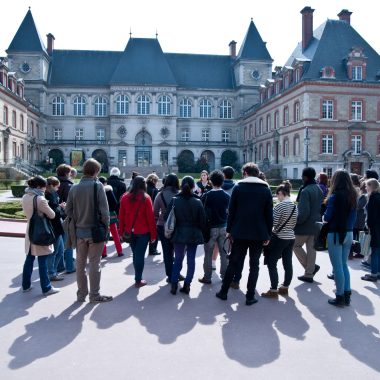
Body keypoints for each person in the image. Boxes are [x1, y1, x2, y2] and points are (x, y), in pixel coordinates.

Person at [216, 162, 273, 306]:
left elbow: (231, 212)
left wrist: (229, 230)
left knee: (234, 262)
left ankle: (223, 292)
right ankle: (249, 296)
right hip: (259, 233)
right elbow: (269, 215)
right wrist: (268, 234)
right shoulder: (265, 189)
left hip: (239, 231)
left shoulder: (239, 187)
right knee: (254, 265)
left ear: (245, 173)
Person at [65, 158, 112, 303]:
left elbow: (68, 210)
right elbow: (105, 212)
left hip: (79, 232)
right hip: (95, 232)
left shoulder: (74, 187)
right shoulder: (98, 186)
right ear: (96, 171)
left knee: (80, 265)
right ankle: (94, 295)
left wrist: (79, 219)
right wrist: (106, 227)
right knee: (94, 264)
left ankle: (81, 295)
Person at [165, 176, 206, 295]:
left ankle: (173, 284)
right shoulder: (198, 201)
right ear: (194, 186)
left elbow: (167, 216)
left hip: (178, 233)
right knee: (191, 259)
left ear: (181, 186)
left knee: (178, 259)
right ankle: (187, 284)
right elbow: (202, 220)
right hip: (193, 233)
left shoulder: (175, 200)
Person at [323, 170, 357, 307]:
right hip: (349, 233)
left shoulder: (334, 197)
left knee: (337, 266)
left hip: (336, 233)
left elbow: (327, 217)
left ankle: (340, 296)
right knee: (343, 265)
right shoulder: (353, 195)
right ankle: (347, 294)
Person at [21, 175, 59, 295]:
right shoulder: (39, 199)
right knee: (42, 260)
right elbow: (52, 215)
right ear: (38, 186)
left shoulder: (25, 196)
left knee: (29, 258)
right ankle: (46, 287)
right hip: (41, 231)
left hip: (30, 230)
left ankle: (25, 285)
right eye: (43, 187)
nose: (44, 189)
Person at [261, 181, 298, 298]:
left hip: (280, 237)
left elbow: (274, 223)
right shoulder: (294, 206)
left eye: (277, 195)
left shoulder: (279, 206)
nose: (277, 197)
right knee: (287, 262)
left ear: (281, 193)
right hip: (291, 237)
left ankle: (273, 290)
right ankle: (285, 287)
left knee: (272, 262)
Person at [119, 176, 156, 288]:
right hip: (143, 231)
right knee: (139, 255)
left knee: (136, 254)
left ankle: (137, 277)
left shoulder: (125, 198)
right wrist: (153, 235)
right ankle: (138, 279)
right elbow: (150, 218)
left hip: (130, 231)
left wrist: (121, 231)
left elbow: (121, 216)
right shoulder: (146, 198)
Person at [199, 170, 230, 284]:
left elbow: (202, 212)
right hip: (223, 227)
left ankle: (207, 277)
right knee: (224, 253)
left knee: (208, 253)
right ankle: (225, 275)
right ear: (222, 181)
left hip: (210, 228)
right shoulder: (227, 196)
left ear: (211, 181)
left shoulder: (206, 195)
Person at [293, 167, 324, 283]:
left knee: (295, 245)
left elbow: (303, 212)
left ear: (305, 177)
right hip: (316, 223)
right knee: (311, 249)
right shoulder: (318, 188)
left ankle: (310, 269)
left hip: (305, 225)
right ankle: (309, 273)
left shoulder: (305, 191)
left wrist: (296, 222)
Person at [153, 173, 181, 283]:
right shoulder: (179, 194)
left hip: (162, 225)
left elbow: (155, 212)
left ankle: (170, 275)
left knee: (167, 251)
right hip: (177, 226)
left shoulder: (160, 195)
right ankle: (176, 272)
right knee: (177, 251)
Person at [56, 163, 76, 274]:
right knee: (68, 242)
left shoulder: (51, 183)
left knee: (59, 243)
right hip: (66, 216)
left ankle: (59, 266)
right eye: (69, 172)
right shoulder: (68, 185)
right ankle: (69, 266)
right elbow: (71, 203)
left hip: (54, 216)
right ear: (66, 173)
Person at [45, 176, 66, 281]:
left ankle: (53, 271)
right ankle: (51, 273)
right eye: (57, 187)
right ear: (51, 186)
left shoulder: (52, 194)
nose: (58, 189)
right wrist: (61, 207)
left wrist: (59, 206)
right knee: (54, 252)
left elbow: (55, 207)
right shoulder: (48, 195)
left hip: (58, 226)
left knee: (60, 251)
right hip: (54, 227)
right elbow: (54, 212)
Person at [98, 176, 123, 258]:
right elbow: (115, 203)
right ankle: (119, 251)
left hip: (101, 215)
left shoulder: (97, 191)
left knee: (104, 234)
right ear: (105, 183)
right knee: (115, 234)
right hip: (111, 214)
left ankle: (103, 253)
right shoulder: (108, 190)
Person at [361, 178, 380, 282]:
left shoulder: (373, 198)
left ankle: (373, 274)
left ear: (371, 186)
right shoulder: (378, 197)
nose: (365, 187)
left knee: (374, 251)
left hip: (374, 228)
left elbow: (371, 216)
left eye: (367, 185)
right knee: (378, 251)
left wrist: (367, 226)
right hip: (378, 228)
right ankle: (377, 272)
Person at [146, 173, 161, 256]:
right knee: (154, 232)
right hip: (152, 213)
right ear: (154, 181)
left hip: (143, 213)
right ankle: (152, 249)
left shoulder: (144, 188)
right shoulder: (155, 190)